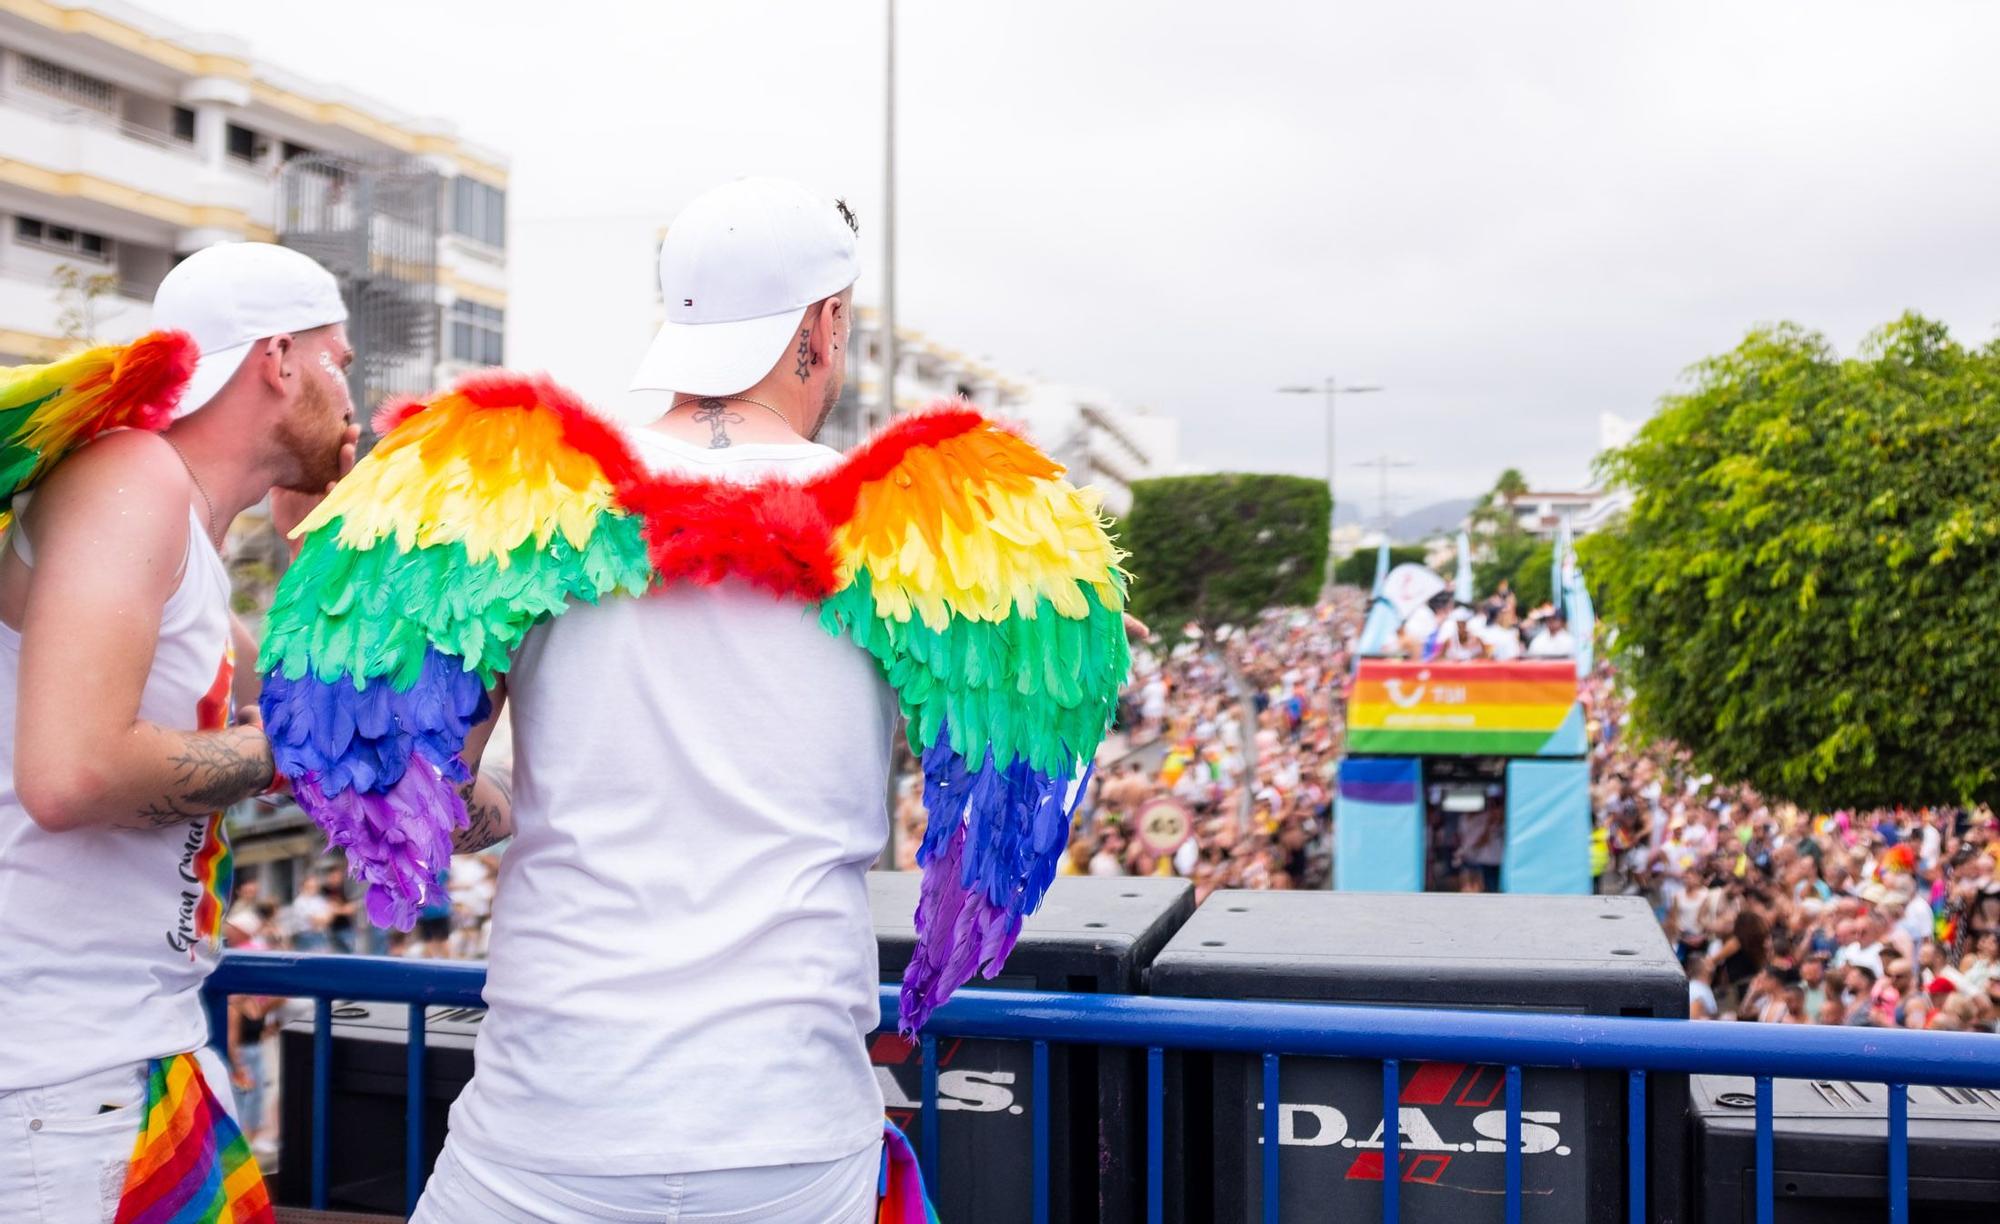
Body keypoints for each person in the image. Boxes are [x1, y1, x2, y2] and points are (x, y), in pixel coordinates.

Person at [247, 178, 1128, 1222]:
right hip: (786, 1133)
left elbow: (418, 793)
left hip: (547, 1127)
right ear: (823, 325)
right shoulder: (925, 539)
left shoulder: (518, 514)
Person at [0, 242, 355, 1222]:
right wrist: (273, 754)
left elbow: (310, 696)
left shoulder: (170, 527)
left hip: (130, 1065)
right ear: (278, 360)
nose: (352, 396)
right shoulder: (131, 478)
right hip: (61, 1084)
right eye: (342, 361)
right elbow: (70, 773)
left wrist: (320, 542)